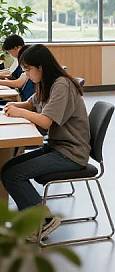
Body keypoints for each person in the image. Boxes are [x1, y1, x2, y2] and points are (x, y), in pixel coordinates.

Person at [0, 44, 91, 241]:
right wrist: (14, 105)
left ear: (40, 67)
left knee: (13, 174)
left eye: (27, 70)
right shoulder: (46, 82)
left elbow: (45, 121)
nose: (27, 75)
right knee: (8, 168)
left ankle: (44, 220)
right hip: (57, 147)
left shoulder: (61, 85)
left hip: (71, 153)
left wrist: (20, 111)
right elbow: (32, 103)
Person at [0, 36, 35, 102]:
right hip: (22, 97)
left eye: (9, 52)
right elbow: (10, 73)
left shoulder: (28, 58)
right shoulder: (20, 58)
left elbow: (19, 83)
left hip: (23, 98)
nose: (10, 54)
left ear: (17, 48)